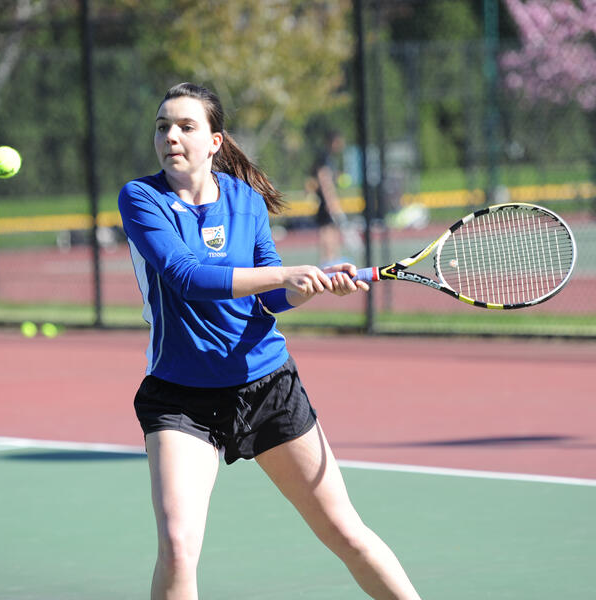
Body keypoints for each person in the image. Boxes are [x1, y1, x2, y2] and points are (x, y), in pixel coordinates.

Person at [118, 82, 423, 600]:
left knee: (345, 532)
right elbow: (187, 278)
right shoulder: (142, 198)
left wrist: (304, 288)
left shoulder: (245, 200)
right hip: (181, 397)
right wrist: (285, 274)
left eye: (186, 126)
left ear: (215, 141)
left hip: (267, 387)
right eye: (162, 125)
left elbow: (269, 300)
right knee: (177, 544)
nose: (171, 135)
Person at [309, 130, 350, 266]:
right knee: (327, 229)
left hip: (327, 200)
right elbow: (324, 179)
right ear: (333, 142)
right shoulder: (324, 157)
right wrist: (330, 201)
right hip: (325, 201)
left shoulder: (330, 158)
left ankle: (334, 259)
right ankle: (327, 261)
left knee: (332, 228)